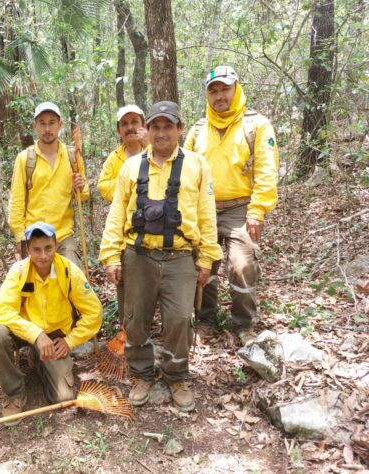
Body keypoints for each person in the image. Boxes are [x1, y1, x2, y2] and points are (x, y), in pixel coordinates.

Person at [99, 101, 222, 411]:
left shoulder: (196, 165)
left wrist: (207, 258)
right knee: (135, 318)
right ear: (148, 130)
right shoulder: (130, 167)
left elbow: (207, 215)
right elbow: (117, 214)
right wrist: (111, 256)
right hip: (138, 256)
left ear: (180, 128)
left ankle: (176, 375)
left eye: (169, 126)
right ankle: (141, 374)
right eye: (156, 126)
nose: (162, 132)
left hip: (180, 257)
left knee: (180, 318)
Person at [184, 66, 279, 336]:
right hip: (204, 208)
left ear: (236, 88)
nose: (219, 96)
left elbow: (266, 169)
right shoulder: (199, 128)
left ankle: (243, 324)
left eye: (225, 88)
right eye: (213, 91)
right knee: (203, 265)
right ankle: (205, 320)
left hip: (241, 208)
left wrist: (258, 210)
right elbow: (185, 170)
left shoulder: (256, 124)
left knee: (242, 265)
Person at [0, 222, 102, 424]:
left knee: (63, 398)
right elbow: (0, 311)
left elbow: (95, 312)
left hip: (54, 335)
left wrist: (70, 341)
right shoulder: (18, 271)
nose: (43, 256)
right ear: (27, 250)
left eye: (48, 248)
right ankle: (15, 393)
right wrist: (36, 335)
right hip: (22, 331)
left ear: (56, 245)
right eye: (36, 250)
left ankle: (39, 360)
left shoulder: (68, 272)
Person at [8, 102, 89, 268]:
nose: (47, 129)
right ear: (35, 126)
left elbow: (84, 195)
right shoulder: (25, 159)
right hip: (34, 235)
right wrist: (20, 238)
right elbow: (16, 200)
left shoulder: (72, 156)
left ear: (60, 125)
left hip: (63, 235)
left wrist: (80, 187)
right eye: (42, 123)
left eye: (52, 123)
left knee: (74, 283)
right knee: (32, 288)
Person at [97, 104, 148, 325]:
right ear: (119, 130)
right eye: (125, 124)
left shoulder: (155, 149)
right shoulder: (115, 158)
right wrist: (127, 184)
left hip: (157, 227)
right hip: (125, 225)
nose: (130, 128)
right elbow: (103, 186)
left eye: (134, 122)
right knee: (126, 279)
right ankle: (128, 327)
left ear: (143, 125)